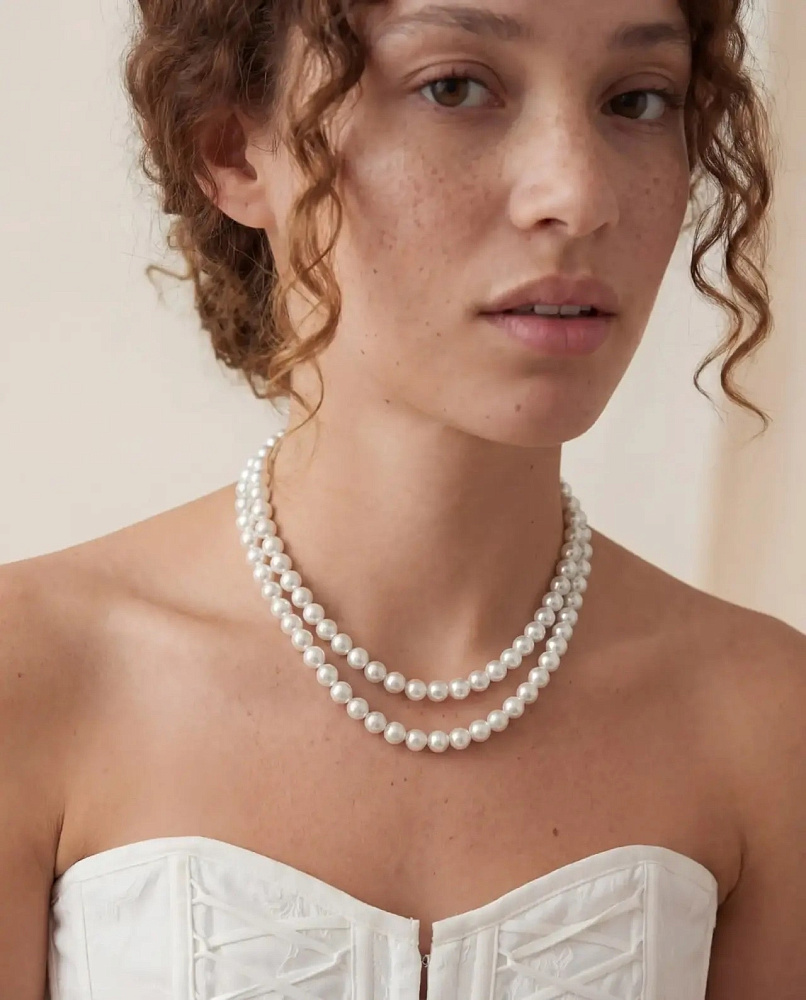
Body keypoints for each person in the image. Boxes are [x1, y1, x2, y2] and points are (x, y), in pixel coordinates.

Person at [1, 0, 804, 997]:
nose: (578, 194)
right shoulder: (34, 676)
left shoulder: (766, 725)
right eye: (454, 87)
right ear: (233, 148)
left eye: (636, 100)